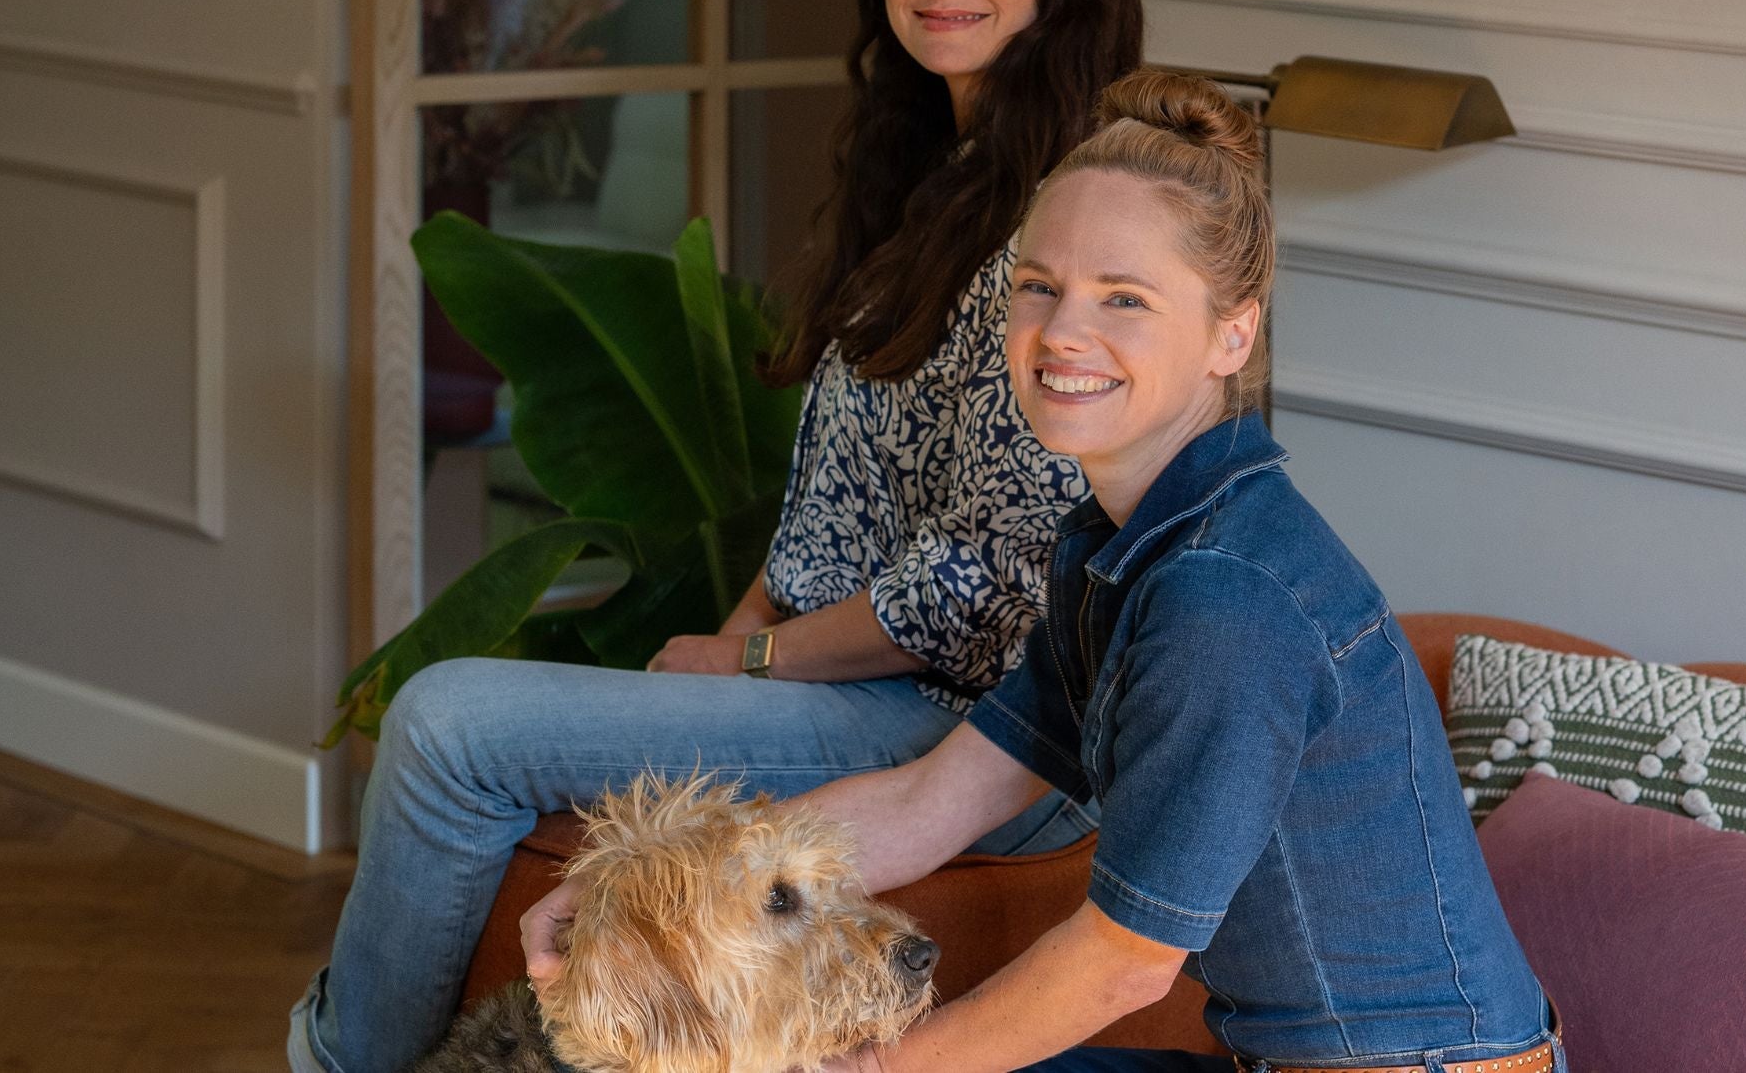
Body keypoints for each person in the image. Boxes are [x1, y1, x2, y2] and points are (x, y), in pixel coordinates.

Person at [289, 0, 1142, 1071]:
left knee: (445, 729)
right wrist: (715, 657)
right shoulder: (929, 187)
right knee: (500, 731)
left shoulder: (1072, 221)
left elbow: (984, 590)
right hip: (867, 697)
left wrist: (749, 664)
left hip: (992, 740)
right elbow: (826, 528)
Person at [527, 71, 1563, 1073]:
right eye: (1038, 286)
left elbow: (1122, 965)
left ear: (1230, 334)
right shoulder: (1119, 548)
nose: (1063, 333)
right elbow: (927, 799)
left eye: (1123, 299)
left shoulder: (1224, 596)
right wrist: (626, 894)